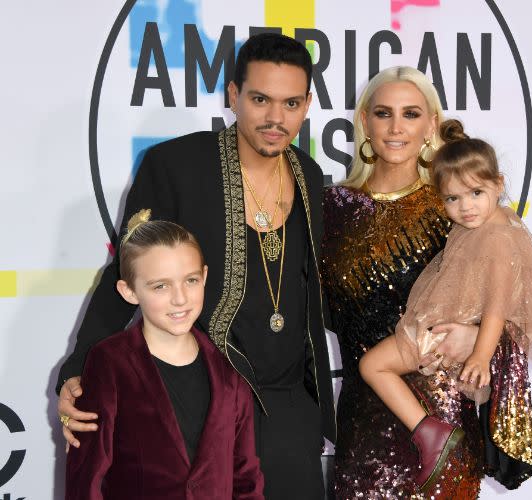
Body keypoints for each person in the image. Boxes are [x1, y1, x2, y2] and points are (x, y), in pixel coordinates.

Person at [57, 33, 335, 499]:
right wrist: (79, 368)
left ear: (307, 103)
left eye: (290, 103)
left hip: (291, 409)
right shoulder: (178, 165)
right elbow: (125, 275)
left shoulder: (309, 175)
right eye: (260, 100)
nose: (275, 118)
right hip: (207, 400)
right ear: (233, 96)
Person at [359, 119, 532, 494]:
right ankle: (430, 432)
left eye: (476, 193)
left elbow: (497, 305)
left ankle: (430, 434)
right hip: (444, 328)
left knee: (372, 365)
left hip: (444, 336)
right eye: (452, 198)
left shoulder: (497, 238)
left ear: (498, 184)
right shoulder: (485, 224)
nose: (465, 207)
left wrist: (480, 355)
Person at [321, 66, 483, 498]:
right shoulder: (330, 208)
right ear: (363, 121)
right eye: (383, 113)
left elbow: (506, 293)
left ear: (431, 123)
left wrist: (479, 335)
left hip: (442, 417)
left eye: (411, 114)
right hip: (362, 418)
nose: (396, 128)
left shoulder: (455, 206)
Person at [65, 211, 264, 499]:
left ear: (205, 276)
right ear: (129, 291)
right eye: (161, 286)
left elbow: (246, 480)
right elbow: (87, 480)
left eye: (191, 281)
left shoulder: (230, 371)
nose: (180, 298)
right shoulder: (108, 363)